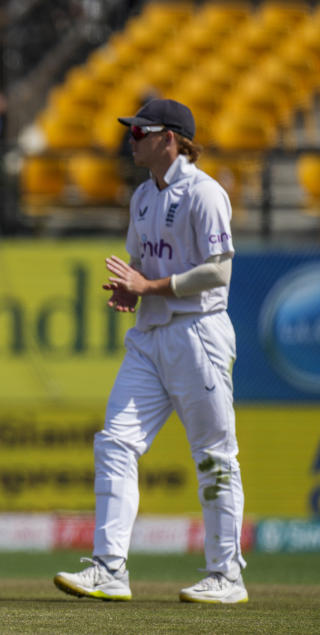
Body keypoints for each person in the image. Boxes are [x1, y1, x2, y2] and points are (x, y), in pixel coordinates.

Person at [54, 99, 247, 604]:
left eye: (140, 131)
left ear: (170, 138)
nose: (131, 138)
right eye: (131, 130)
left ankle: (227, 575)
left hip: (197, 334)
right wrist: (130, 289)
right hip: (149, 337)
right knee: (115, 443)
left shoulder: (206, 193)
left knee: (214, 457)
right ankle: (110, 567)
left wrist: (150, 284)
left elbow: (218, 271)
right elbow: (140, 265)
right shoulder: (142, 196)